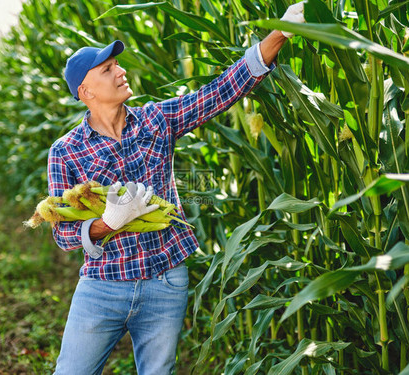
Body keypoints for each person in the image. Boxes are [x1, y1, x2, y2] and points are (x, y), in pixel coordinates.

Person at [49, 3, 305, 374]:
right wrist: (109, 222)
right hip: (102, 286)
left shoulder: (157, 119)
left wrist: (278, 34)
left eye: (118, 65)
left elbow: (219, 93)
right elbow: (63, 234)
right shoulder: (65, 152)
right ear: (85, 90)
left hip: (165, 279)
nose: (121, 71)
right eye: (108, 70)